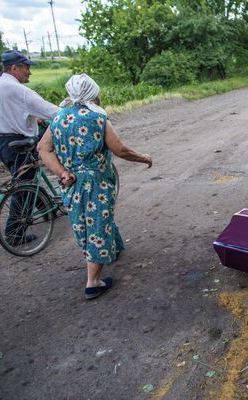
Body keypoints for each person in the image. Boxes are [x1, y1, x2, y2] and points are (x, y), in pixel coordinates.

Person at [38, 74, 152, 300]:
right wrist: (144, 158)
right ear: (92, 94)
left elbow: (43, 148)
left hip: (70, 183)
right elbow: (120, 149)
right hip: (96, 184)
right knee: (98, 226)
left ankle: (115, 248)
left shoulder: (58, 118)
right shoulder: (97, 118)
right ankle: (93, 282)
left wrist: (62, 172)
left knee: (84, 222)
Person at [0, 50, 60, 245]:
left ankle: (46, 209)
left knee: (25, 178)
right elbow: (52, 111)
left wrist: (35, 118)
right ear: (14, 68)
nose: (29, 72)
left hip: (0, 141)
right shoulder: (19, 90)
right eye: (26, 67)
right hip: (18, 141)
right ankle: (14, 232)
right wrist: (74, 114)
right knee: (24, 186)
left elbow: (9, 112)